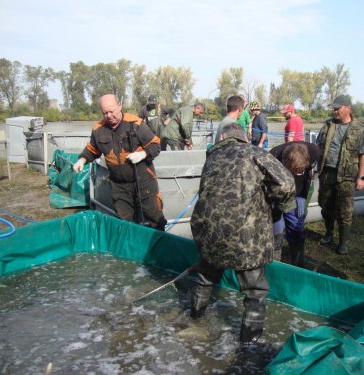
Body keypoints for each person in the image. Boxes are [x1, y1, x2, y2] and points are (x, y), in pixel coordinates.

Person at [189, 123, 296, 344]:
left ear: (223, 137)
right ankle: (249, 344)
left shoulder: (212, 158)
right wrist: (279, 204)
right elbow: (286, 183)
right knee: (255, 291)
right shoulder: (255, 153)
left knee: (205, 277)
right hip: (245, 238)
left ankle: (195, 320)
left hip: (208, 232)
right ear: (244, 138)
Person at [73, 94, 167, 231]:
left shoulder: (135, 123)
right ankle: (128, 249)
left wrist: (143, 154)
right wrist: (82, 159)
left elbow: (156, 144)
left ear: (120, 106)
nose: (109, 115)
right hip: (119, 184)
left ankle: (160, 247)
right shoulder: (98, 130)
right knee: (123, 222)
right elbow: (92, 150)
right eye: (105, 113)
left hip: (144, 180)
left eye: (112, 111)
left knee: (155, 217)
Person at [316, 94, 364, 255]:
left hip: (346, 176)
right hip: (326, 173)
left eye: (338, 108)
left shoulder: (358, 129)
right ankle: (329, 233)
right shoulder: (327, 125)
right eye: (334, 108)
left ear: (348, 109)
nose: (335, 111)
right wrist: (313, 166)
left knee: (345, 210)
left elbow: (363, 155)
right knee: (325, 205)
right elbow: (317, 147)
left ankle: (343, 242)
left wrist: (361, 177)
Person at [270, 141, 320, 266]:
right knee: (276, 227)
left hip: (299, 193)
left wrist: (313, 173)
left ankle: (298, 264)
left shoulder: (314, 152)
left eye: (300, 171)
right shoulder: (272, 158)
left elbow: (323, 164)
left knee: (297, 228)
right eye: (294, 172)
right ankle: (275, 263)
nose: (297, 174)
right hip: (278, 193)